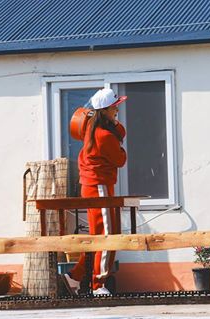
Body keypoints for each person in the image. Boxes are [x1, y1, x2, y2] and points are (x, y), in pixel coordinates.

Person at [63, 88, 127, 295]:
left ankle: (75, 276)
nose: (117, 110)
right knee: (108, 236)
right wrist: (120, 145)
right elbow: (120, 159)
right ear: (106, 110)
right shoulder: (104, 135)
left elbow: (120, 132)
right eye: (115, 107)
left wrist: (115, 126)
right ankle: (97, 284)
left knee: (98, 235)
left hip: (93, 186)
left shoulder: (91, 128)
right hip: (99, 187)